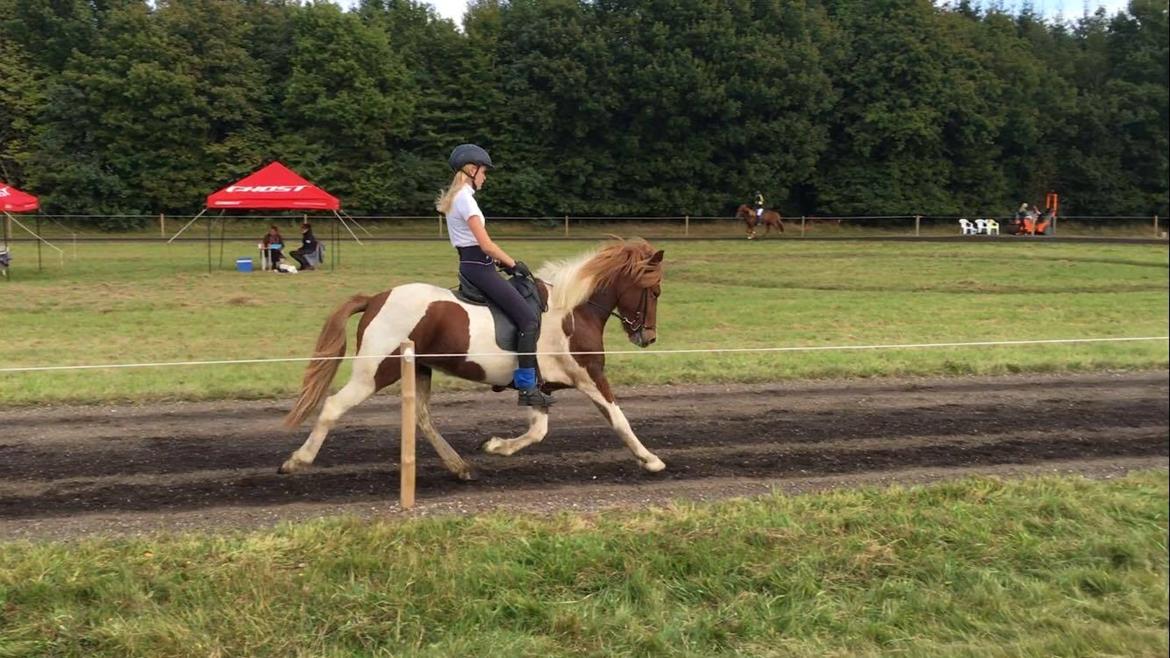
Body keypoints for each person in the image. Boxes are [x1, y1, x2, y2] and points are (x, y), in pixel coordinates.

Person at [436, 143, 555, 407]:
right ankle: (526, 387)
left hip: (474, 265)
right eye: (483, 171)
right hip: (480, 269)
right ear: (470, 169)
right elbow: (486, 244)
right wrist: (514, 265)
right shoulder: (466, 200)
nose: (485, 177)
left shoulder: (458, 198)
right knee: (527, 319)